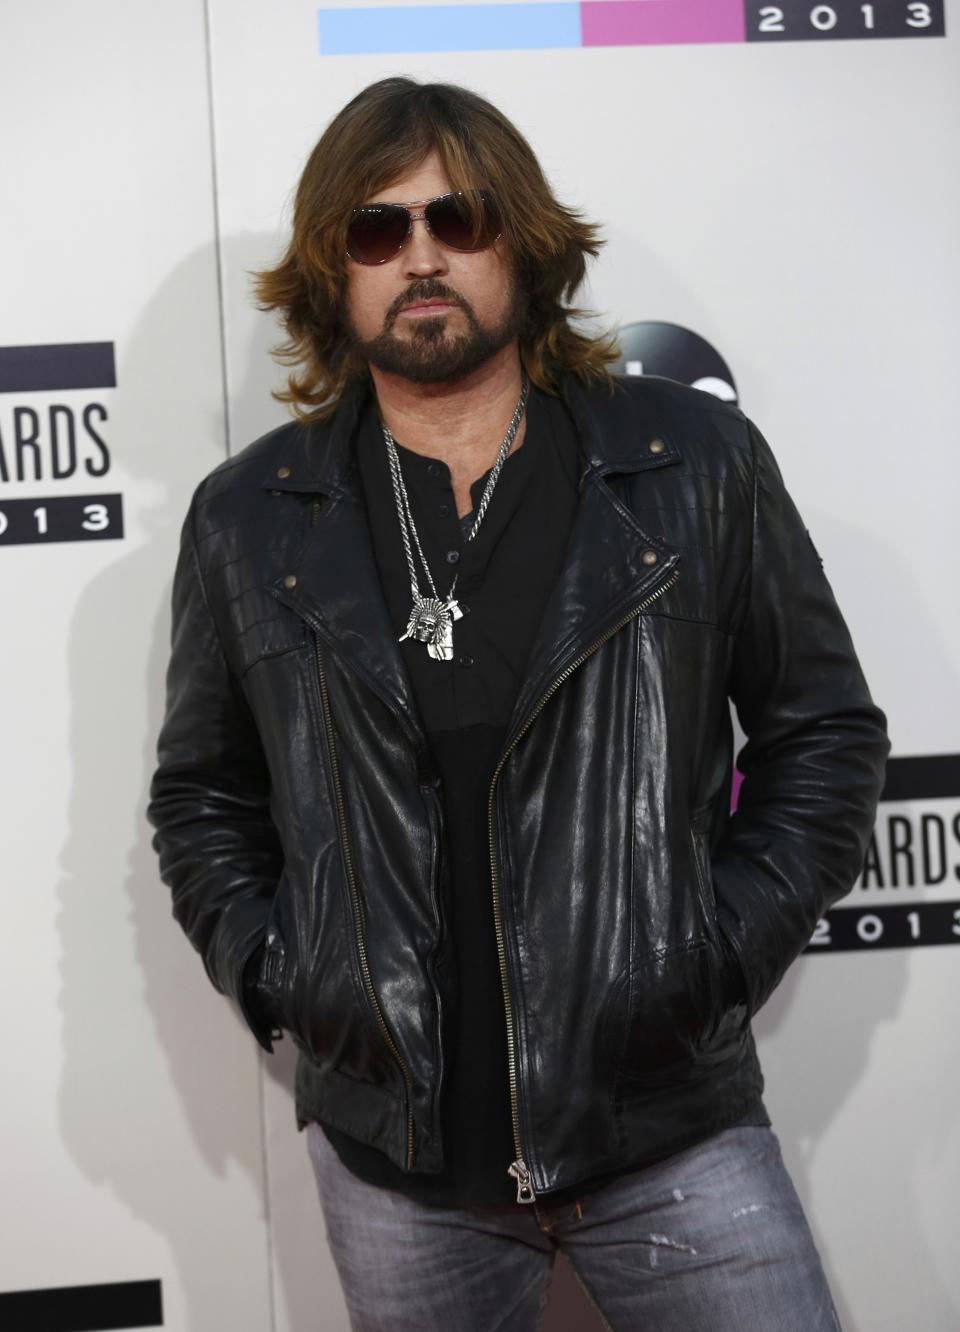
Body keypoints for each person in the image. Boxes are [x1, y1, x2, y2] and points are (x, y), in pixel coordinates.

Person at [147, 76, 888, 1331]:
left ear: (524, 242)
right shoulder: (247, 517)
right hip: (396, 1167)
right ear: (334, 270)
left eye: (461, 218)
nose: (421, 255)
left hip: (671, 1128)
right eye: (378, 229)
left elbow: (823, 732)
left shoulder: (689, 465)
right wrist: (287, 976)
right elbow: (202, 793)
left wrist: (710, 959)